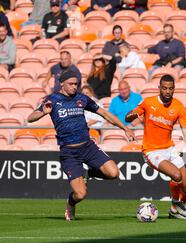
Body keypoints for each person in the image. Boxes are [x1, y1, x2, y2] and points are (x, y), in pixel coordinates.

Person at [26, 70, 135, 221]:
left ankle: (88, 174)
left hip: (88, 147)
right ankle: (70, 203)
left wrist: (126, 128)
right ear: (62, 83)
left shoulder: (82, 99)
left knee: (113, 173)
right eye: (70, 84)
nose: (74, 87)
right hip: (69, 153)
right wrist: (42, 112)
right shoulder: (52, 99)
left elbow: (105, 114)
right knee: (80, 194)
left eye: (76, 84)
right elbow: (30, 118)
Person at [125, 75, 186, 220]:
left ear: (174, 89)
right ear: (159, 88)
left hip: (170, 149)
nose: (167, 91)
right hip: (152, 151)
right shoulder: (148, 103)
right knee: (176, 175)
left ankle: (174, 210)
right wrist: (132, 115)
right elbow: (128, 117)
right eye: (165, 88)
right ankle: (175, 202)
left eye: (170, 88)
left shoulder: (178, 106)